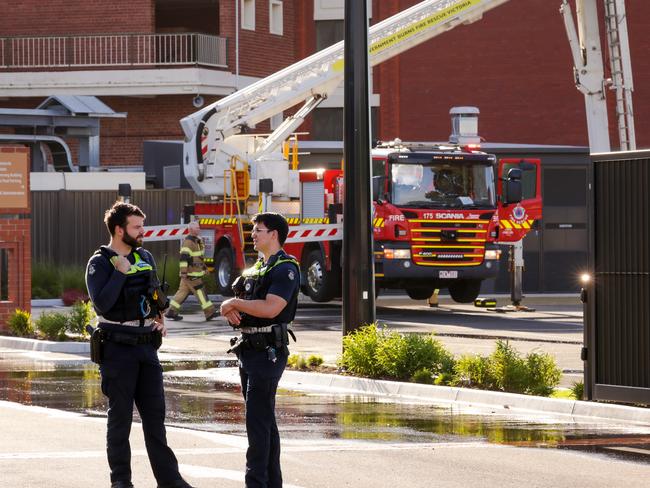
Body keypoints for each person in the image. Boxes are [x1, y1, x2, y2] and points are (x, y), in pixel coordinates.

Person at [85, 201, 194, 488]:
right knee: (120, 420)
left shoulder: (144, 255)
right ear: (120, 230)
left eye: (142, 226)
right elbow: (103, 305)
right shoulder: (100, 262)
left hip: (147, 348)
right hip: (118, 349)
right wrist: (120, 272)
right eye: (137, 227)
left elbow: (155, 295)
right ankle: (121, 481)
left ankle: (170, 481)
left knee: (155, 420)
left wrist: (161, 316)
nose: (142, 231)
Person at [220, 212, 300, 488]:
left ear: (274, 234)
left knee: (257, 422)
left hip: (269, 353)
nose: (253, 234)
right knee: (264, 421)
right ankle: (271, 483)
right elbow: (243, 304)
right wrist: (230, 308)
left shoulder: (285, 268)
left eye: (258, 230)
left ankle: (255, 483)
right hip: (249, 351)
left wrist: (234, 304)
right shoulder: (258, 268)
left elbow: (271, 307)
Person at [165, 221, 218, 321]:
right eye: (197, 228)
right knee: (201, 292)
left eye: (199, 227)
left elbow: (198, 258)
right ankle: (209, 312)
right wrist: (184, 272)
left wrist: (204, 268)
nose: (199, 229)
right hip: (191, 275)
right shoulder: (188, 242)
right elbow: (184, 258)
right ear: (190, 230)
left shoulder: (197, 241)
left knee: (182, 293)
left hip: (192, 274)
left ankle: (171, 311)